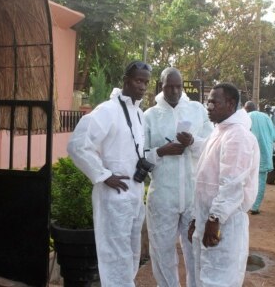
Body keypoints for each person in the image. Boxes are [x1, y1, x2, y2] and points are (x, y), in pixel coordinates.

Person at [67, 61, 151, 286]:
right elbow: (78, 145)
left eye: (146, 82)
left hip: (134, 196)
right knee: (115, 255)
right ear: (126, 81)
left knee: (132, 253)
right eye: (138, 80)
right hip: (113, 198)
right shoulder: (108, 110)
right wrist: (104, 175)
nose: (142, 86)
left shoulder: (139, 114)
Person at [143, 67, 213, 287]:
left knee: (196, 251)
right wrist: (162, 151)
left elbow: (211, 147)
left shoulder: (196, 110)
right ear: (160, 87)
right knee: (162, 251)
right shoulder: (150, 116)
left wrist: (192, 142)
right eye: (168, 86)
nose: (174, 91)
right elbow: (139, 156)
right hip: (163, 196)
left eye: (178, 86)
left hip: (193, 195)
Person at [187, 83, 259, 286]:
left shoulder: (237, 136)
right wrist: (197, 217)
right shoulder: (220, 132)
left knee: (219, 280)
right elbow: (204, 181)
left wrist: (215, 218)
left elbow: (232, 183)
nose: (208, 106)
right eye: (208, 102)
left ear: (230, 104)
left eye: (214, 102)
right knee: (204, 277)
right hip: (209, 219)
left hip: (224, 224)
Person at [243, 101, 275, 214]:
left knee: (246, 180)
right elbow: (274, 135)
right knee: (261, 181)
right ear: (256, 108)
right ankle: (255, 207)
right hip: (264, 154)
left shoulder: (245, 117)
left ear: (246, 109)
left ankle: (245, 205)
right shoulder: (266, 117)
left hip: (249, 155)